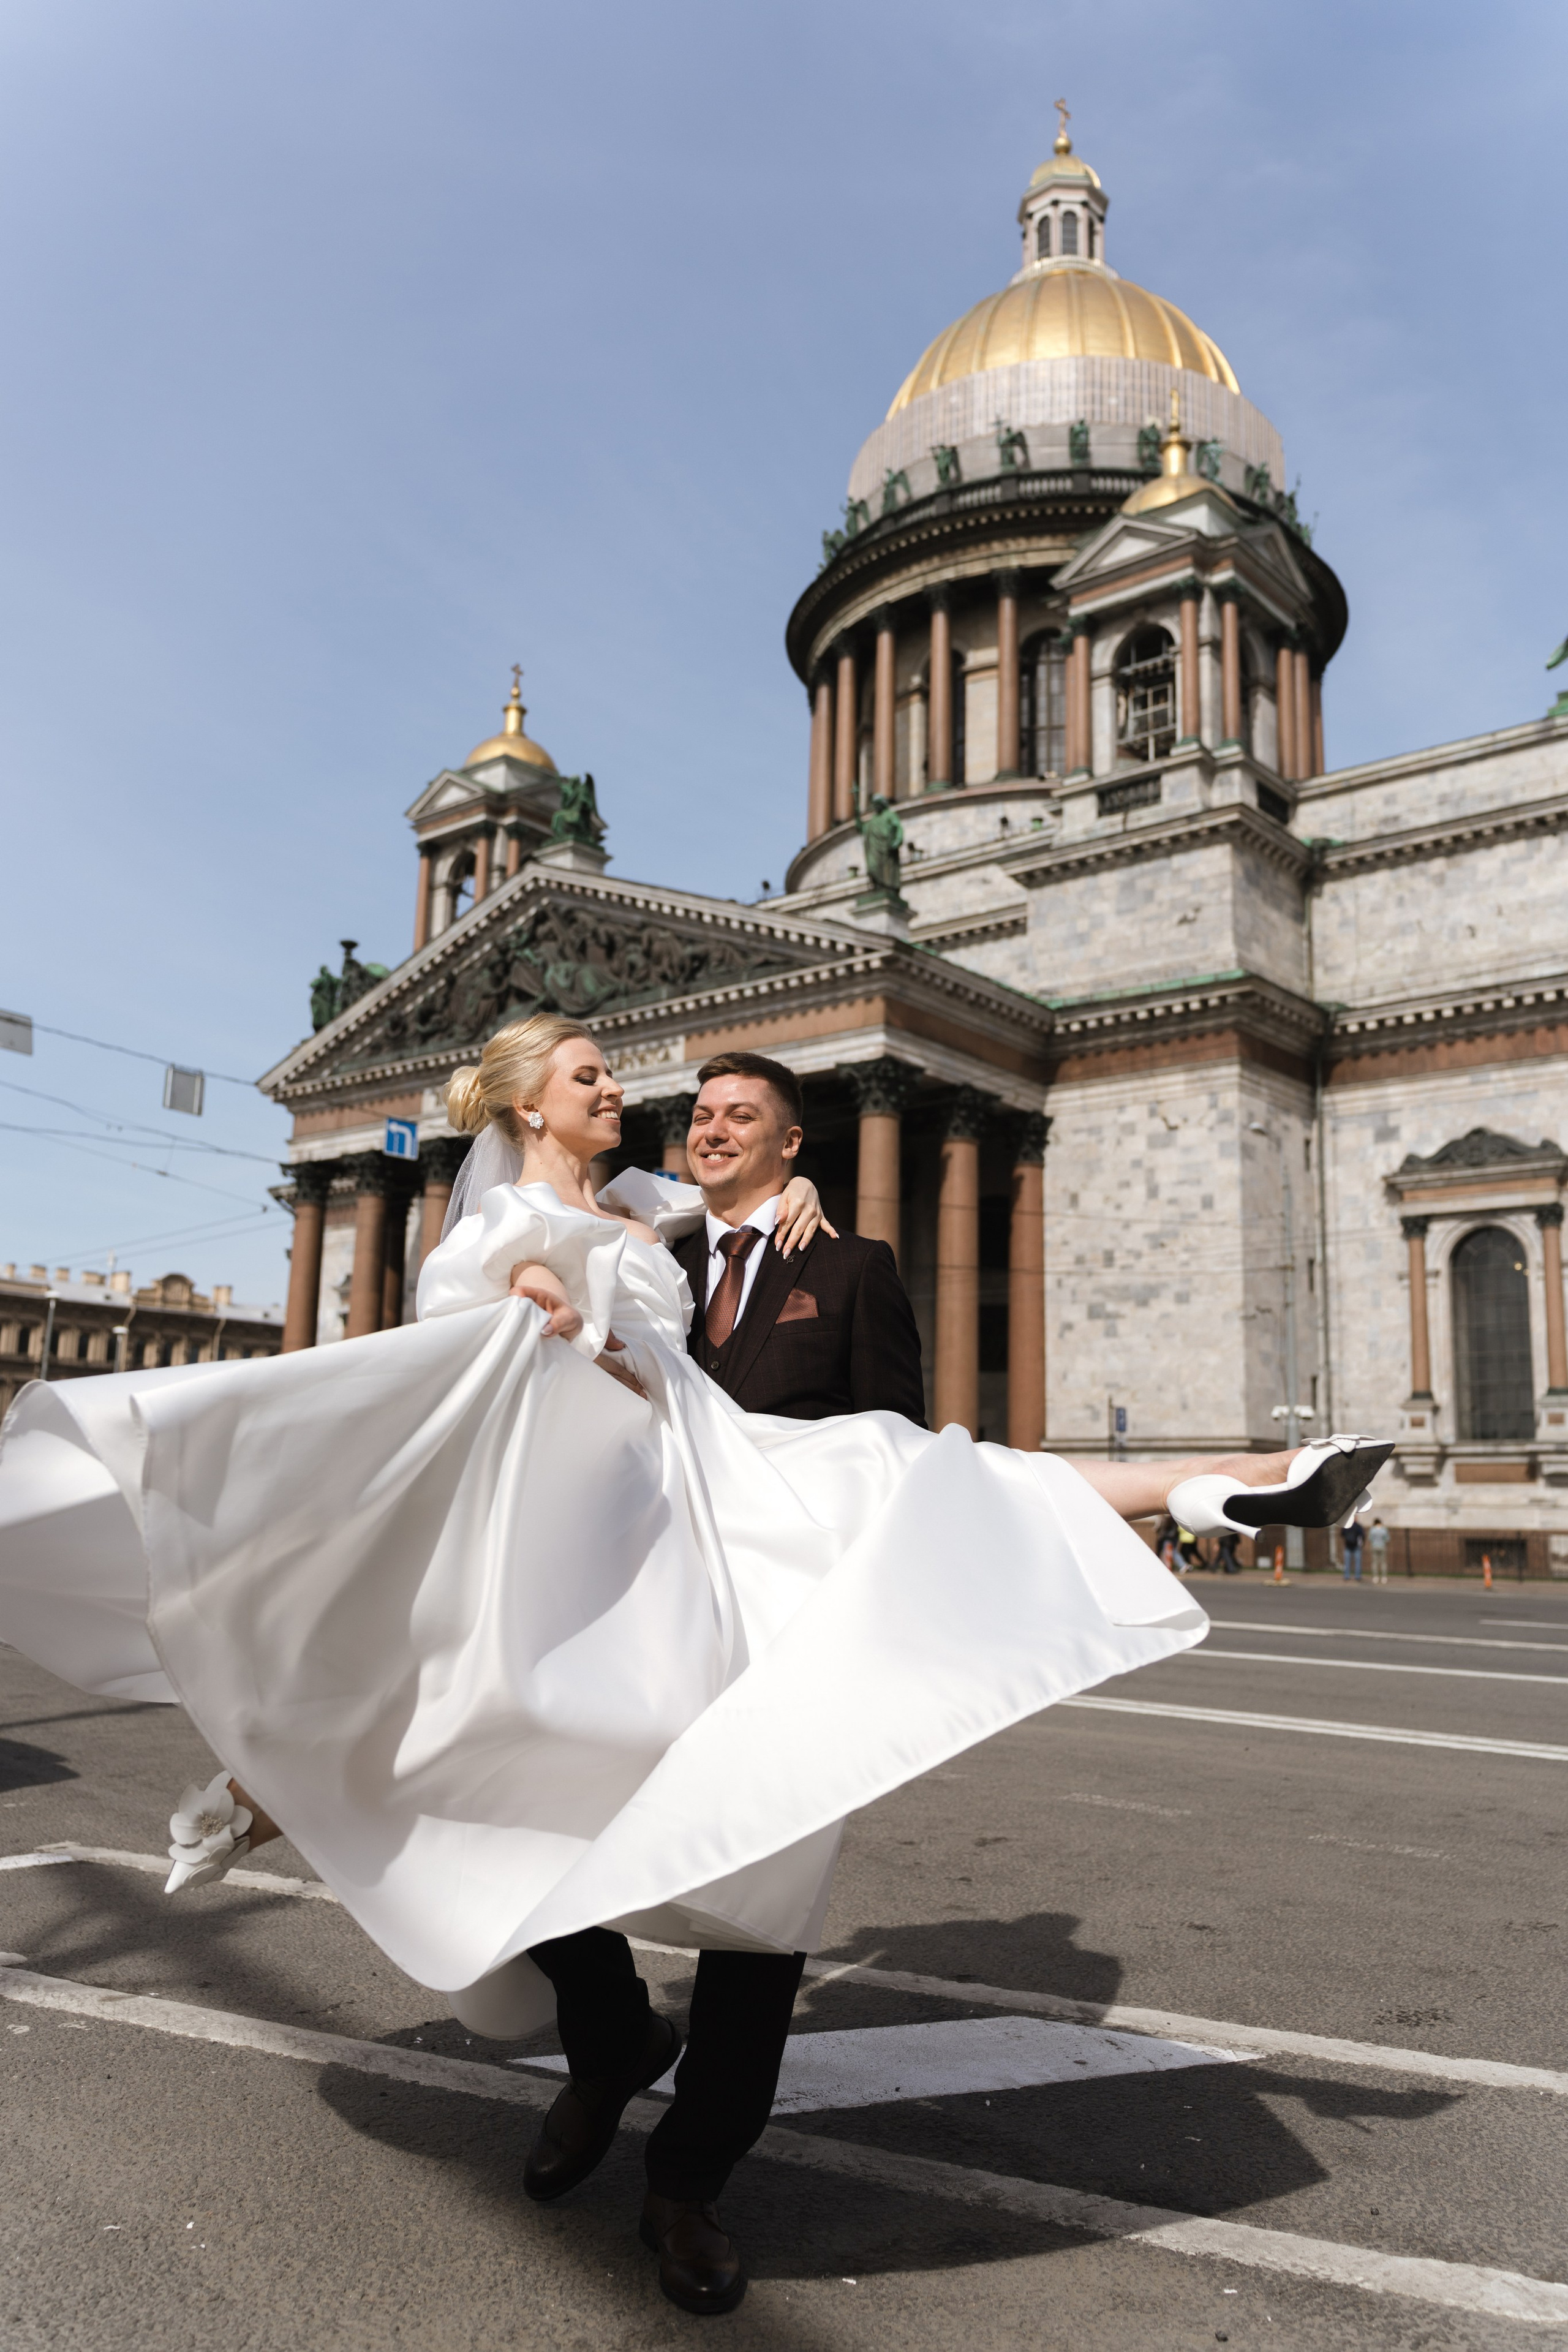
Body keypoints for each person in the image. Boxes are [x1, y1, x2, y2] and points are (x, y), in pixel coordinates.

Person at [0, 1012, 1306, 2316]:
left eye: (727, 1114)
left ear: (785, 1143)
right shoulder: (514, 1227)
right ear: (528, 1105)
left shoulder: (678, 1215)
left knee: (793, 1780)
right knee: (528, 1776)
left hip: (748, 1525)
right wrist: (553, 1316)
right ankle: (610, 2037)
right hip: (610, 1539)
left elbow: (802, 1315)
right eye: (595, 1078)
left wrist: (788, 1197)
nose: (645, 1099)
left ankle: (688, 2184)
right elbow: (492, 1311)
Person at [1342, 1515, 1366, 1581]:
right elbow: (1362, 1535)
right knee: (1358, 1563)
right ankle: (1357, 1576)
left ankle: (1347, 1576)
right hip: (1356, 1546)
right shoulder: (1358, 1526)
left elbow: (1342, 1534)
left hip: (1348, 1546)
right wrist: (1362, 1544)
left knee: (1347, 1563)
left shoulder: (1346, 1526)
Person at [1368, 1517, 1391, 1584]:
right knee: (1383, 1563)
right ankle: (1384, 1577)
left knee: (1375, 1562)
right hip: (1382, 1546)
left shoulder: (1372, 1529)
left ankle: (1376, 1577)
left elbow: (1370, 1539)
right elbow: (1387, 1539)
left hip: (1375, 1546)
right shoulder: (1384, 1529)